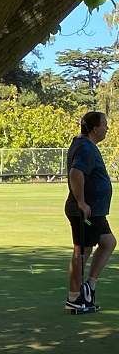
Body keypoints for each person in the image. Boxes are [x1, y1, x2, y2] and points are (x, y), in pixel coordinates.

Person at [64, 111, 116, 312]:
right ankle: (74, 298)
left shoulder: (86, 145)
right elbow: (76, 173)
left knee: (108, 242)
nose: (107, 128)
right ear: (95, 129)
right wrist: (82, 203)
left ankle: (89, 286)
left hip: (96, 211)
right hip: (86, 211)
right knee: (82, 252)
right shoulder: (85, 147)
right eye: (105, 125)